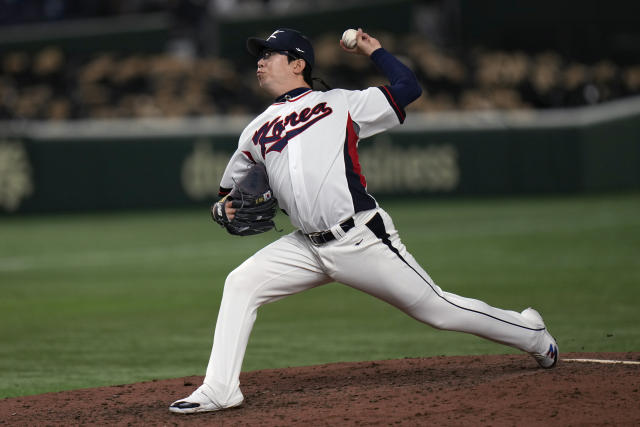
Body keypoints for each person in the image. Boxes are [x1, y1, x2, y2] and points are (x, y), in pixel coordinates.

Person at [169, 28, 559, 414]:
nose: (260, 61)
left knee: (437, 309)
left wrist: (376, 51)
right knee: (241, 282)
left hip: (358, 236)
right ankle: (220, 389)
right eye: (260, 54)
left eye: (270, 54)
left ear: (298, 64)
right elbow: (227, 196)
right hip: (305, 245)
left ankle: (532, 333)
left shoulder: (342, 104)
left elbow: (408, 87)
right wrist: (222, 211)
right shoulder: (255, 131)